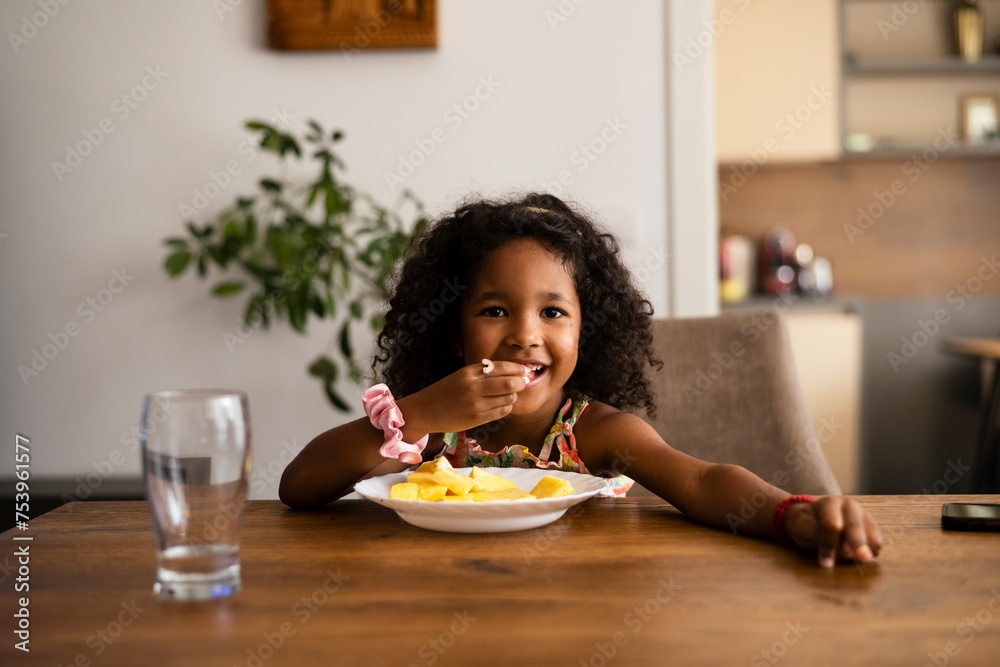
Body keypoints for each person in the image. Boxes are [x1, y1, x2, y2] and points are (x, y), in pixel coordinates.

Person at [279, 192, 881, 568]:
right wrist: (417, 414)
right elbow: (298, 487)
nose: (525, 335)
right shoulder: (434, 432)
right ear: (455, 334)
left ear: (584, 332)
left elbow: (700, 482)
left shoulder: (594, 432)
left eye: (552, 312)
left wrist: (789, 513)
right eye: (495, 310)